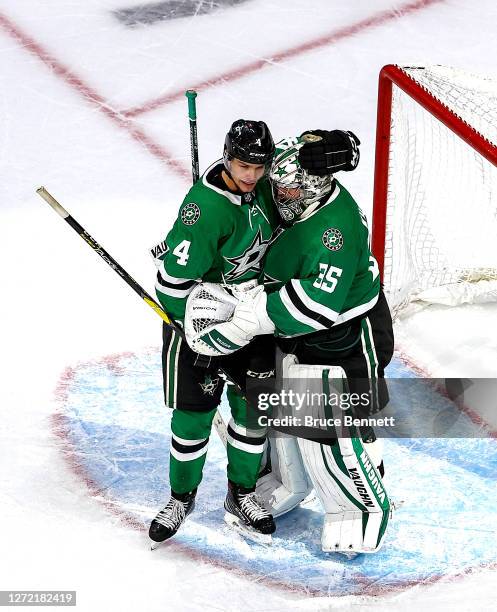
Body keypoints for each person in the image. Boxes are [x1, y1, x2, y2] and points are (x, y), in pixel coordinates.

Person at [186, 132, 394, 553]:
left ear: (315, 188)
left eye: (291, 189)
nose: (279, 193)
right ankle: (281, 479)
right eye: (279, 185)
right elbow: (248, 169)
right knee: (285, 401)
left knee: (346, 418)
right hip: (292, 325)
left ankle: (362, 500)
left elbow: (317, 307)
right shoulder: (290, 167)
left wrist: (249, 317)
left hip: (348, 332)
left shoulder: (334, 231)